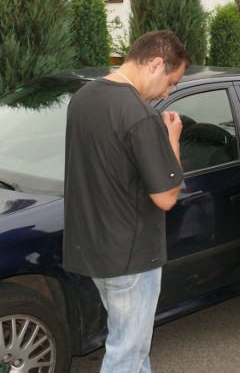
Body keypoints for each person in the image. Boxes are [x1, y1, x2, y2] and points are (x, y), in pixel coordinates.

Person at [64, 30, 189, 372]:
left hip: (92, 248)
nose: (167, 92)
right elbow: (165, 197)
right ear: (156, 63)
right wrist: (172, 142)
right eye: (171, 81)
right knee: (126, 353)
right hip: (131, 257)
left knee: (134, 347)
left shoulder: (83, 97)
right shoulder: (139, 115)